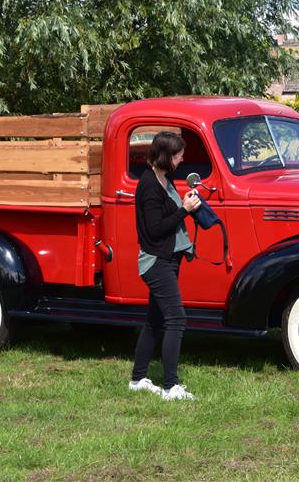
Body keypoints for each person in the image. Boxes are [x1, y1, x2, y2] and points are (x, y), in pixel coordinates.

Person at [129, 131, 201, 401]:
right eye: (178, 155)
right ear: (164, 156)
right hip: (157, 261)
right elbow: (155, 229)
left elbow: (166, 215)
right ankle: (171, 387)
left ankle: (137, 380)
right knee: (177, 319)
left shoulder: (162, 178)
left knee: (155, 320)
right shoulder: (149, 185)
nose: (182, 159)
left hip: (168, 259)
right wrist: (184, 210)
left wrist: (185, 205)